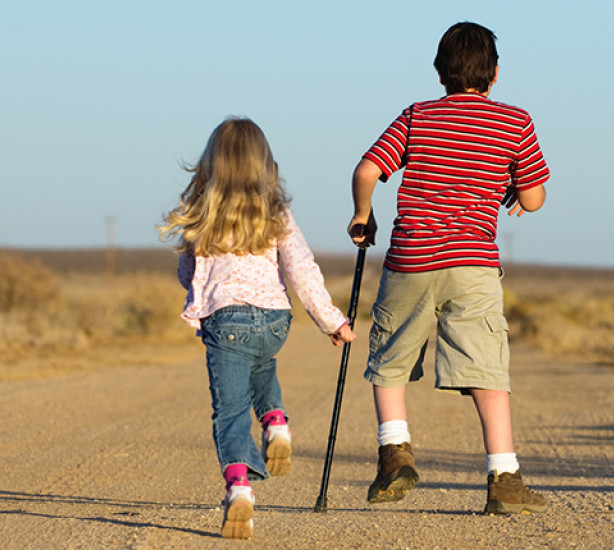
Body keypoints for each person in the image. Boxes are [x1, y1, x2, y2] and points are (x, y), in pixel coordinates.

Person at [347, 21, 549, 515]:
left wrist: (362, 212)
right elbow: (535, 197)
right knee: (486, 369)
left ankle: (395, 453)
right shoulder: (515, 123)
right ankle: (503, 478)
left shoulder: (417, 117)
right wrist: (513, 192)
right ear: (495, 74)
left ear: (440, 72)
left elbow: (367, 170)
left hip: (412, 257)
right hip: (472, 262)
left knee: (390, 360)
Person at [159, 117, 356, 539]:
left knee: (229, 413)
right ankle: (276, 422)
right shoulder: (276, 211)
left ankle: (239, 491)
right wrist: (331, 320)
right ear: (264, 165)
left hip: (225, 322)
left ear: (211, 165)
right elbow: (301, 268)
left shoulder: (203, 212)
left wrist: (202, 294)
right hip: (274, 320)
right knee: (261, 364)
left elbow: (186, 271)